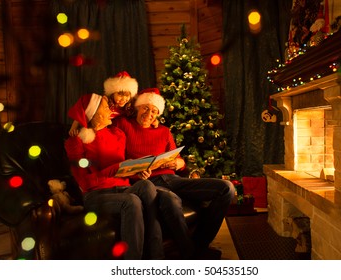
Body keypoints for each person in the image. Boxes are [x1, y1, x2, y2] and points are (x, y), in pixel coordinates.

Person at [112, 88, 235, 259]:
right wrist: (136, 173)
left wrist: (177, 162)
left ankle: (199, 245)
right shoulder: (123, 124)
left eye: (154, 111)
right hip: (147, 184)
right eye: (145, 108)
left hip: (172, 179)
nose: (149, 114)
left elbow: (181, 160)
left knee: (226, 188)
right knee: (171, 200)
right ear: (136, 107)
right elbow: (106, 112)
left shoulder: (163, 131)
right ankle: (191, 253)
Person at [64, 93, 164, 260]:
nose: (110, 109)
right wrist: (116, 168)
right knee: (131, 201)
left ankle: (157, 258)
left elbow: (124, 169)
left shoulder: (118, 134)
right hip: (96, 194)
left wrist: (138, 172)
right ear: (93, 114)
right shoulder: (77, 141)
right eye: (104, 107)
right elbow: (85, 182)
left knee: (147, 186)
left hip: (124, 187)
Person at [68, 71, 138, 137]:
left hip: (107, 132)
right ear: (112, 93)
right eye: (120, 95)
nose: (123, 99)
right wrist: (74, 127)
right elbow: (81, 109)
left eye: (127, 96)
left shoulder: (127, 108)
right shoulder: (103, 103)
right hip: (90, 128)